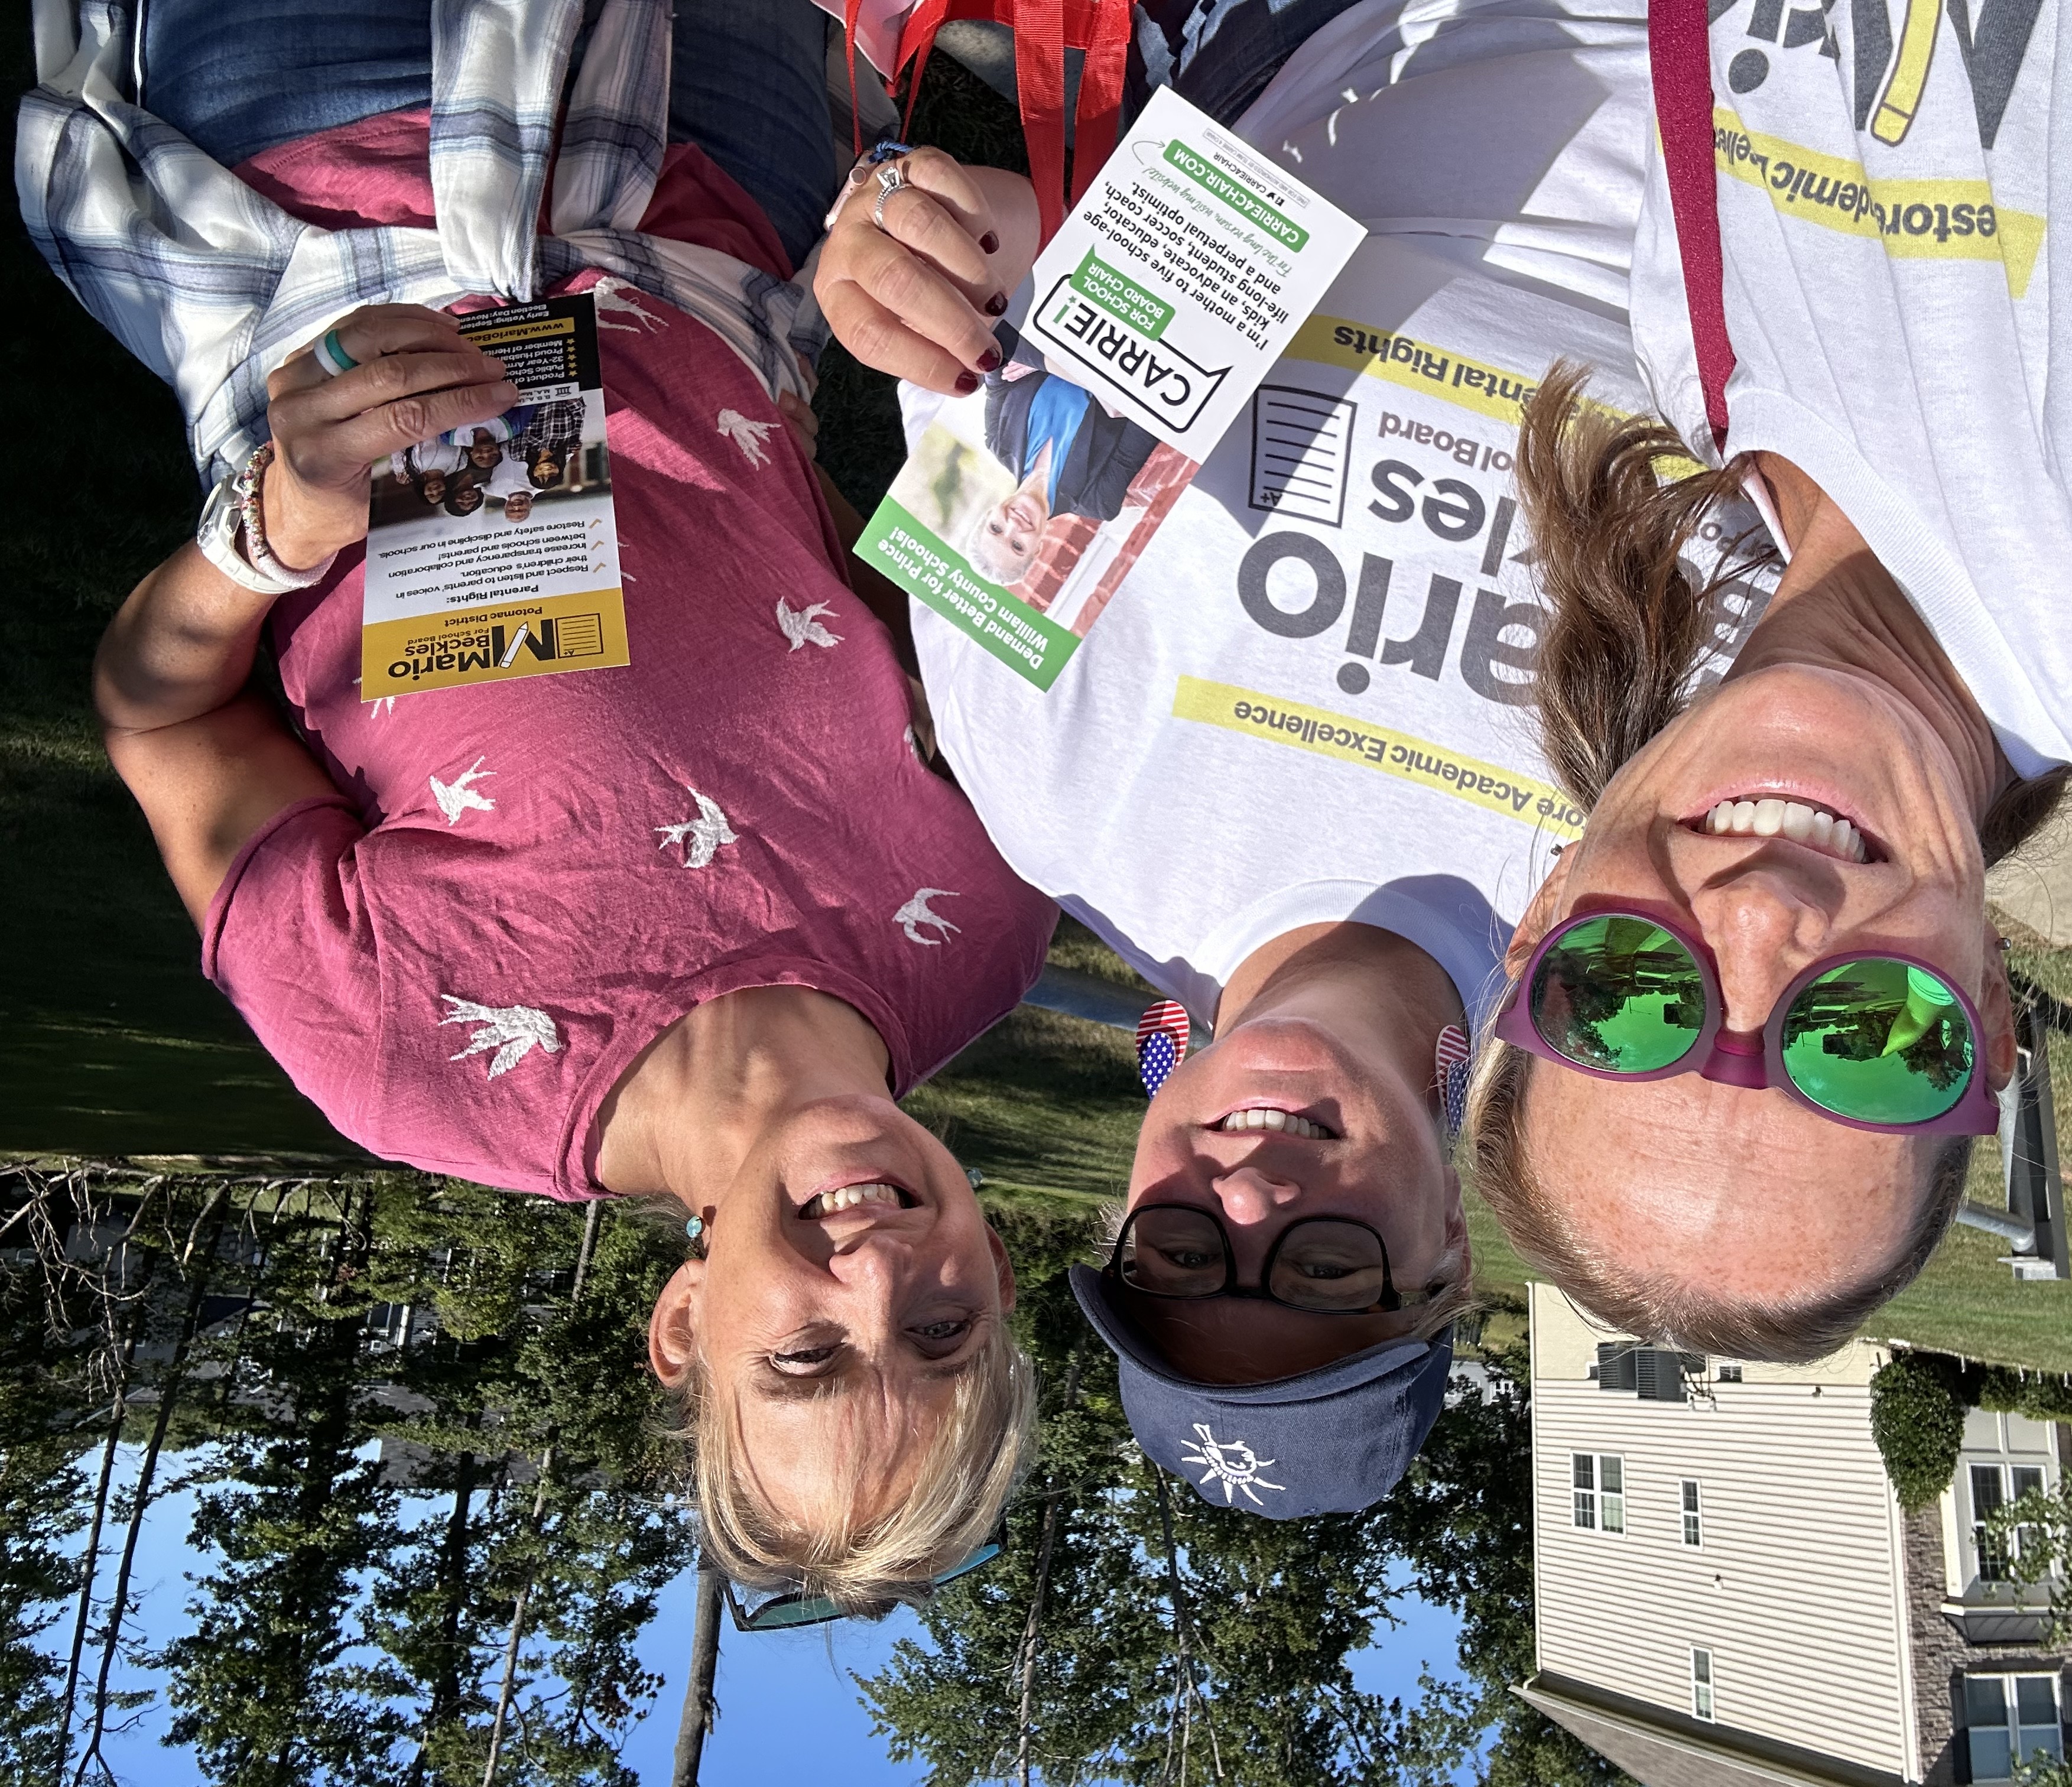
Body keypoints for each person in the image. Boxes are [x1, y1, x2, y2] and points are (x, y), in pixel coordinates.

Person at [22, 0, 1058, 1606]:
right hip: (725, 164)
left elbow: (159, 718)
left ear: (684, 1329)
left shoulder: (415, 1066)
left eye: (806, 1360)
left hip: (336, 159)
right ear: (996, 1279)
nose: (876, 1280)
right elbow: (903, 566)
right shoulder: (1000, 919)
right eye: (942, 1329)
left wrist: (278, 525)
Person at [819, 0, 1773, 1506]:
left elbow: (1041, 288)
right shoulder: (1663, 914)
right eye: (1325, 1270)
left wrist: (913, 250)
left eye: (1184, 1249)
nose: (1252, 1193)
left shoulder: (1047, 795)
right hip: (1774, 88)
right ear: (1445, 1251)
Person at [1466, 0, 2072, 1362]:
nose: (1763, 915)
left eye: (1627, 998)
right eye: (1867, 1038)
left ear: (1545, 917)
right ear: (1989, 1017)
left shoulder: (1704, 370)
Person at [967, 337, 1160, 585]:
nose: (1013, 525)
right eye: (1017, 545)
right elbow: (1148, 416)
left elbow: (999, 346)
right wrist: (1044, 361)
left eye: (996, 528)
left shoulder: (999, 441)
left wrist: (1048, 362)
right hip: (1140, 351)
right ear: (1037, 549)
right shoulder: (1097, 500)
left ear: (989, 514)